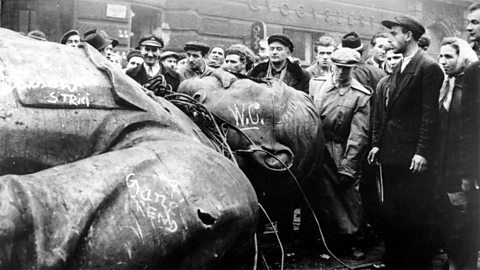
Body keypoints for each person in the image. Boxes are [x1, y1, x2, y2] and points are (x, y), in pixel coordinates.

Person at [368, 15, 444, 269]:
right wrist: (378, 143)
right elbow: (390, 112)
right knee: (393, 214)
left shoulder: (428, 67)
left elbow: (429, 115)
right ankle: (397, 262)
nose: (390, 40)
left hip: (412, 158)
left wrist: (422, 152)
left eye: (394, 34)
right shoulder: (400, 66)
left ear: (408, 35)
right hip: (392, 154)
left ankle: (416, 264)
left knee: (414, 215)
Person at [306, 47, 370, 259]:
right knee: (320, 197)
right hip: (316, 148)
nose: (342, 72)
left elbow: (359, 134)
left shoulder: (360, 95)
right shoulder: (317, 84)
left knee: (348, 195)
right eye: (339, 67)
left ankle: (353, 241)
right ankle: (324, 241)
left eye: (347, 68)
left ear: (354, 68)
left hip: (340, 149)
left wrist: (349, 165)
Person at [436, 37, 479, 270]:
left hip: (461, 166)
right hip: (443, 164)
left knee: (463, 222)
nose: (443, 61)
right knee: (449, 220)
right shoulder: (446, 85)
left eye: (449, 56)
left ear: (462, 57)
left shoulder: (468, 89)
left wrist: (466, 171)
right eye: (441, 56)